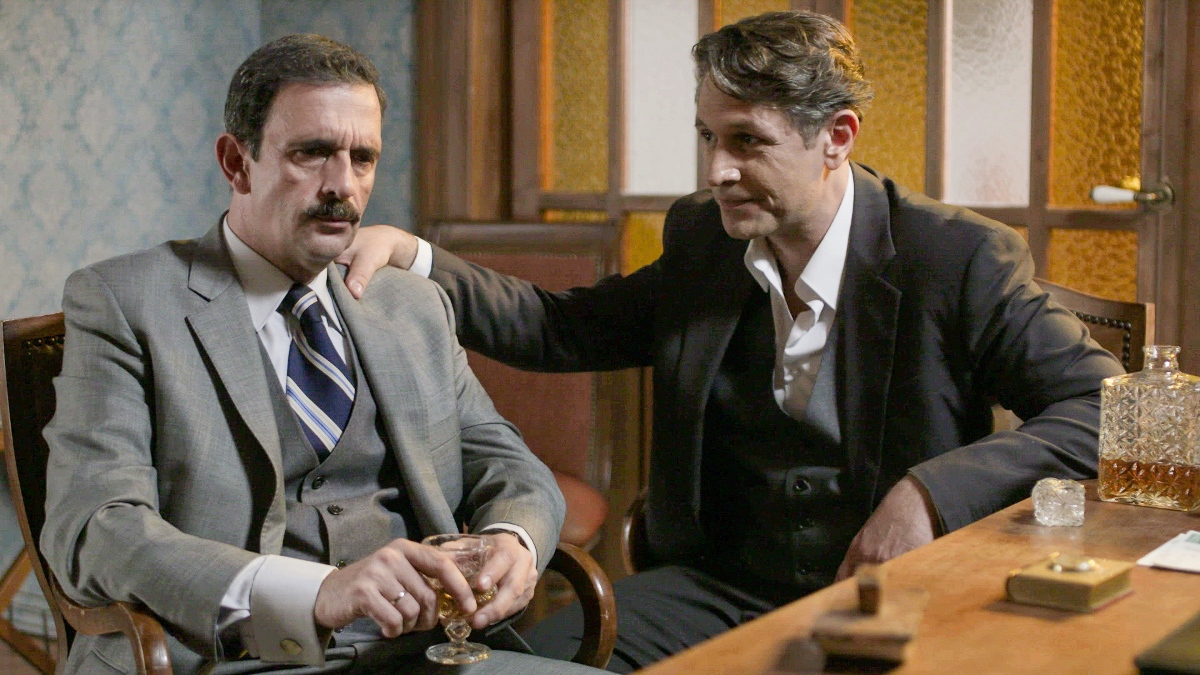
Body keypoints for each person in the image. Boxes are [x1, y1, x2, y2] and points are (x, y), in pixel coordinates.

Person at [338, 10, 1125, 673]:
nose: (716, 170)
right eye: (708, 137)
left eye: (746, 141)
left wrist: (925, 493)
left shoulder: (953, 258)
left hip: (894, 593)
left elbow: (1103, 406)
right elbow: (562, 327)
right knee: (524, 666)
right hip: (718, 587)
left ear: (837, 136)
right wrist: (418, 256)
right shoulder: (705, 240)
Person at [41, 34, 606, 675]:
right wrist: (317, 593)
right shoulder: (125, 301)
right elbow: (96, 528)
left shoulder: (412, 304)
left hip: (431, 655)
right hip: (227, 659)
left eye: (363, 158)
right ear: (237, 162)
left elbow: (507, 463)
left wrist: (514, 537)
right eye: (311, 153)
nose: (343, 186)